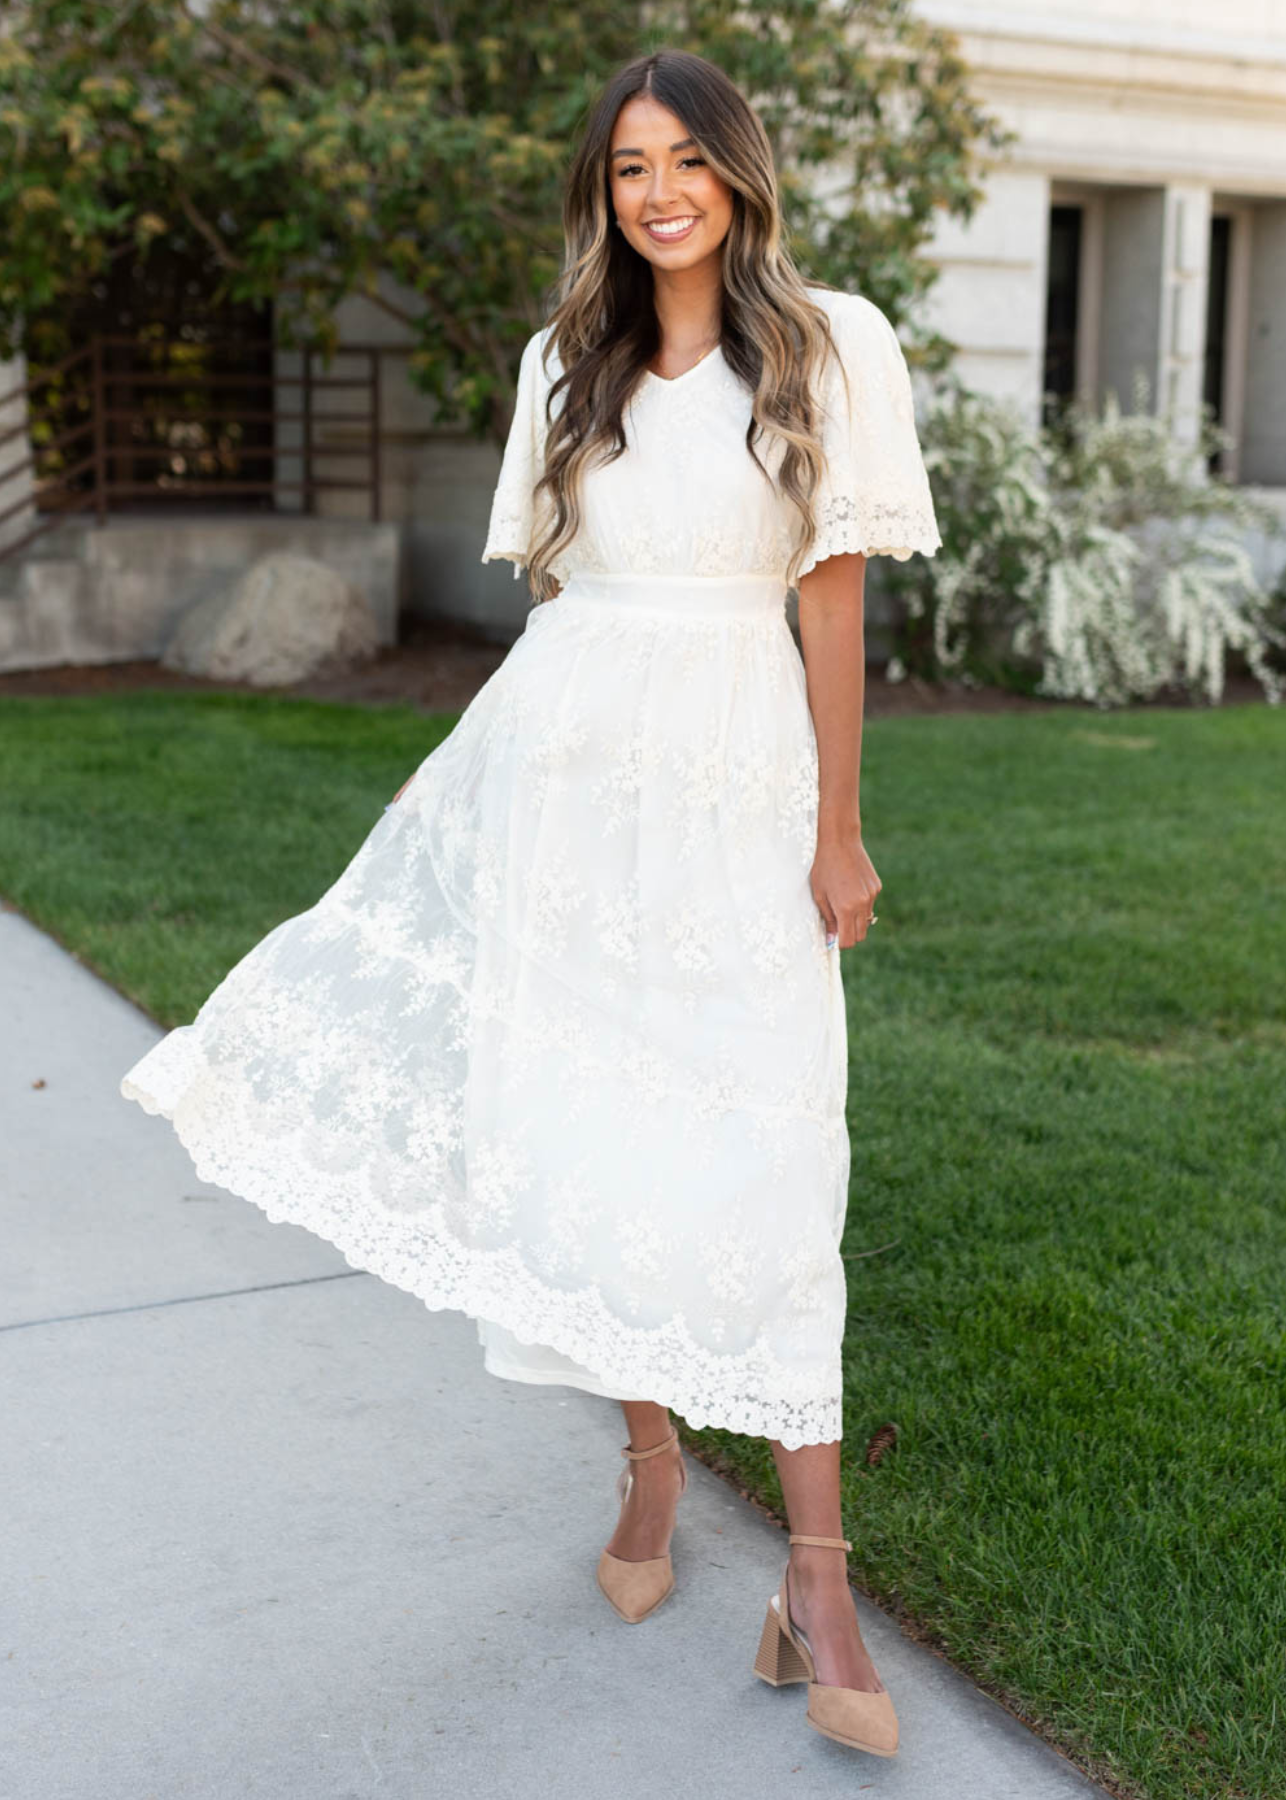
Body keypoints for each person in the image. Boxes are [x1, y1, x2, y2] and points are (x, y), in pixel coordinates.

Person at [119, 46, 940, 1760]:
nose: (657, 193)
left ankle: (817, 1574)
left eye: (685, 161)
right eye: (628, 166)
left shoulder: (830, 344)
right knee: (582, 1143)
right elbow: (555, 615)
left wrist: (840, 831)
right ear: (604, 189)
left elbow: (835, 607)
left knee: (778, 1165)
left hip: (737, 792)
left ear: (739, 172)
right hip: (567, 795)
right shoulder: (562, 362)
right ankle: (646, 1473)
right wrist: (468, 781)